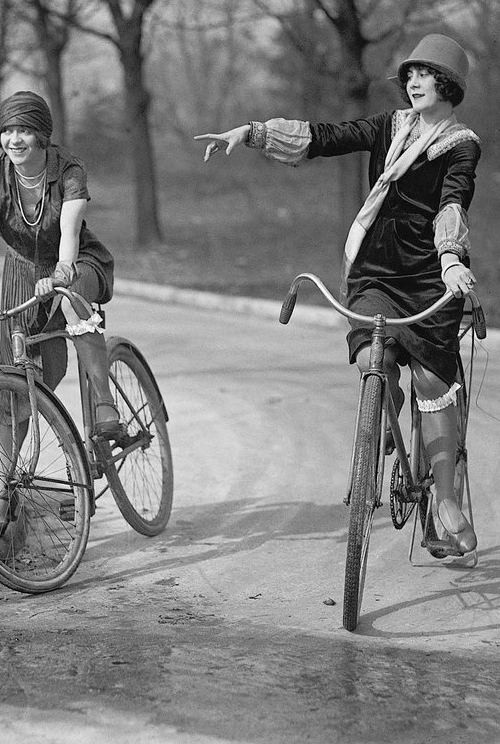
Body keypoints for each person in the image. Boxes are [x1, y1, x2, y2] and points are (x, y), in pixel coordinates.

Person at [194, 34, 481, 554]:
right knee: (375, 353)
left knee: (434, 381)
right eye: (410, 74)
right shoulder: (388, 126)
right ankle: (382, 401)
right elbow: (326, 136)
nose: (413, 82)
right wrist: (251, 133)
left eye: (426, 74)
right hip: (375, 270)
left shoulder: (462, 145)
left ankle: (445, 499)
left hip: (431, 275)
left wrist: (451, 259)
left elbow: (453, 199)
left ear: (449, 84)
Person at [0, 91, 122, 543]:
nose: (15, 140)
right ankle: (3, 487)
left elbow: (69, 232)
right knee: (18, 380)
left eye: (25, 130)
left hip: (77, 264)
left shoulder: (68, 171)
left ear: (43, 136)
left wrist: (62, 273)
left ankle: (105, 403)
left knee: (71, 298)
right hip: (20, 271)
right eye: (8, 130)